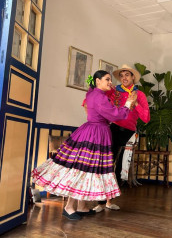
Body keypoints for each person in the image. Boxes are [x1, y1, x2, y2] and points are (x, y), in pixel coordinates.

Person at [32, 70, 136, 220]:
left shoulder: (94, 94)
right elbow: (115, 114)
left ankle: (81, 207)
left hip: (94, 132)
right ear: (98, 81)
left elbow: (107, 102)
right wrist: (127, 103)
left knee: (86, 170)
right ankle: (69, 207)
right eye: (107, 79)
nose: (110, 82)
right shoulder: (99, 97)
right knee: (83, 170)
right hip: (95, 134)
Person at [93, 64, 150, 212]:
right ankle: (99, 202)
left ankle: (109, 201)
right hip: (112, 130)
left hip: (128, 133)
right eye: (122, 75)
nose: (124, 78)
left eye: (127, 75)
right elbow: (97, 96)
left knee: (119, 168)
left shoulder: (141, 95)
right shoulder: (113, 92)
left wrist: (136, 102)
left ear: (133, 78)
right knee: (106, 164)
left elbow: (146, 118)